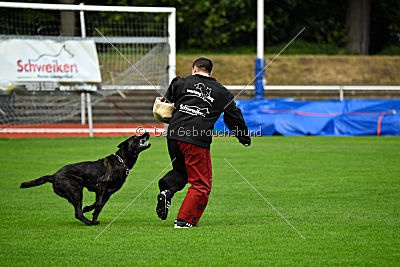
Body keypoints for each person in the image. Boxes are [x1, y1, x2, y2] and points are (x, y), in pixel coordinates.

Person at [156, 56, 251, 228]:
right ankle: (184, 220)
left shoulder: (180, 83)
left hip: (174, 136)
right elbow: (233, 116)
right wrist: (243, 137)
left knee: (182, 171)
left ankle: (166, 191)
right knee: (201, 183)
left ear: (194, 69)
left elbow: (164, 106)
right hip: (196, 139)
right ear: (210, 72)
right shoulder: (221, 92)